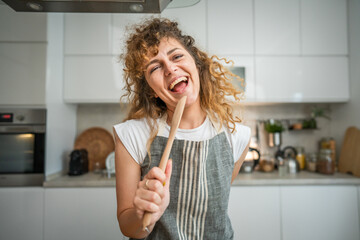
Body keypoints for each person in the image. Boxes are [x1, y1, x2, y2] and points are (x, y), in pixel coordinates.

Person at [113, 18, 251, 240]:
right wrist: (144, 216)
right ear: (151, 91)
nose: (170, 68)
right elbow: (128, 228)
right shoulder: (131, 136)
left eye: (177, 56)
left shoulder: (237, 137)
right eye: (155, 67)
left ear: (196, 64)